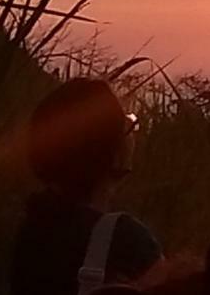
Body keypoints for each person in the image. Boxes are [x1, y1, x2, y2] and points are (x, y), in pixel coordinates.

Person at [11, 77, 163, 295]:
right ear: (109, 147)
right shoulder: (125, 239)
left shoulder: (30, 228)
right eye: (128, 125)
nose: (132, 135)